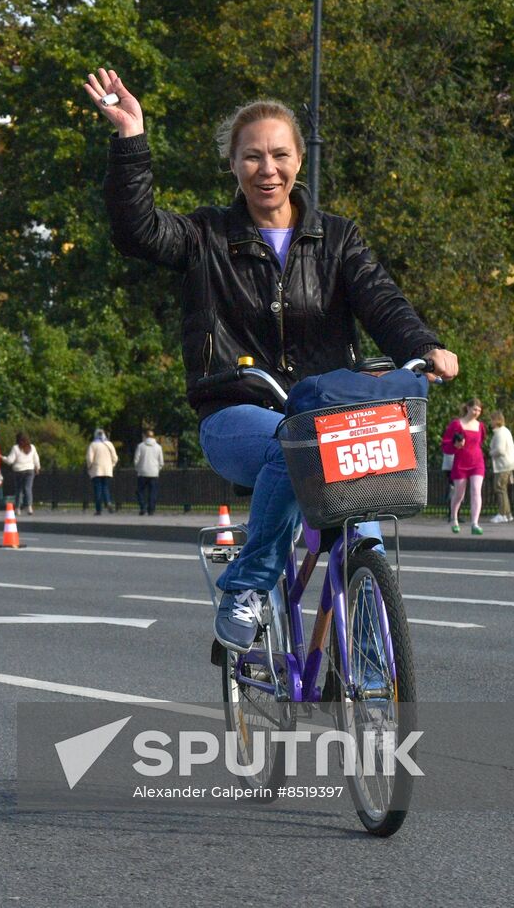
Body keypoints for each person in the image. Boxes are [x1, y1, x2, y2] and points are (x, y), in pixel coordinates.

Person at [89, 70, 457, 653]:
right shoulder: (204, 236)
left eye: (280, 155)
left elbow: (381, 299)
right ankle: (248, 588)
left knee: (364, 520)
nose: (268, 169)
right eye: (253, 157)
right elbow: (136, 231)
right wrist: (131, 137)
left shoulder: (336, 238)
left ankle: (369, 649)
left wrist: (424, 346)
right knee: (291, 445)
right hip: (237, 408)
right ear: (233, 165)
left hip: (327, 409)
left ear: (299, 161)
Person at [442, 398, 486, 534]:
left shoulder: (480, 426)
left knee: (476, 490)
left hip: (477, 462)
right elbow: (445, 443)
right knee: (459, 493)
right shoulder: (457, 424)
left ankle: (475, 523)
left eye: (479, 410)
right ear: (467, 407)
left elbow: (482, 441)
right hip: (461, 462)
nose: (476, 412)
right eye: (474, 409)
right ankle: (454, 518)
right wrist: (455, 445)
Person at [488, 410, 514, 523]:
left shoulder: (500, 433)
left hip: (503, 464)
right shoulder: (505, 431)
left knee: (499, 488)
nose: (490, 422)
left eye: (491, 419)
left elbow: (500, 450)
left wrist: (491, 453)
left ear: (496, 420)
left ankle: (502, 514)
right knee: (503, 489)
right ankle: (508, 514)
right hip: (509, 463)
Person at [4, 431, 41, 514]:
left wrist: (3, 458)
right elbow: (36, 458)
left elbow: (10, 461)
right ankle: (29, 507)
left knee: (18, 490)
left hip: (19, 470)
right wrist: (37, 467)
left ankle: (17, 508)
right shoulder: (32, 447)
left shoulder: (16, 448)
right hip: (30, 470)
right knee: (28, 488)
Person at [86, 429, 118, 515]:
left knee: (98, 490)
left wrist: (89, 467)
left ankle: (98, 509)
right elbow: (115, 458)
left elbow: (89, 459)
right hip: (107, 470)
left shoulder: (93, 445)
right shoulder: (109, 444)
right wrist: (112, 466)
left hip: (96, 470)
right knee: (105, 487)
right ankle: (108, 502)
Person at [134, 429, 164, 516]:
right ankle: (151, 510)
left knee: (140, 491)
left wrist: (138, 469)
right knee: (153, 492)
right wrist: (158, 469)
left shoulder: (140, 446)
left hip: (142, 472)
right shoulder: (158, 447)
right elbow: (161, 461)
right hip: (154, 473)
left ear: (145, 436)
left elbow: (136, 459)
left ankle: (142, 507)